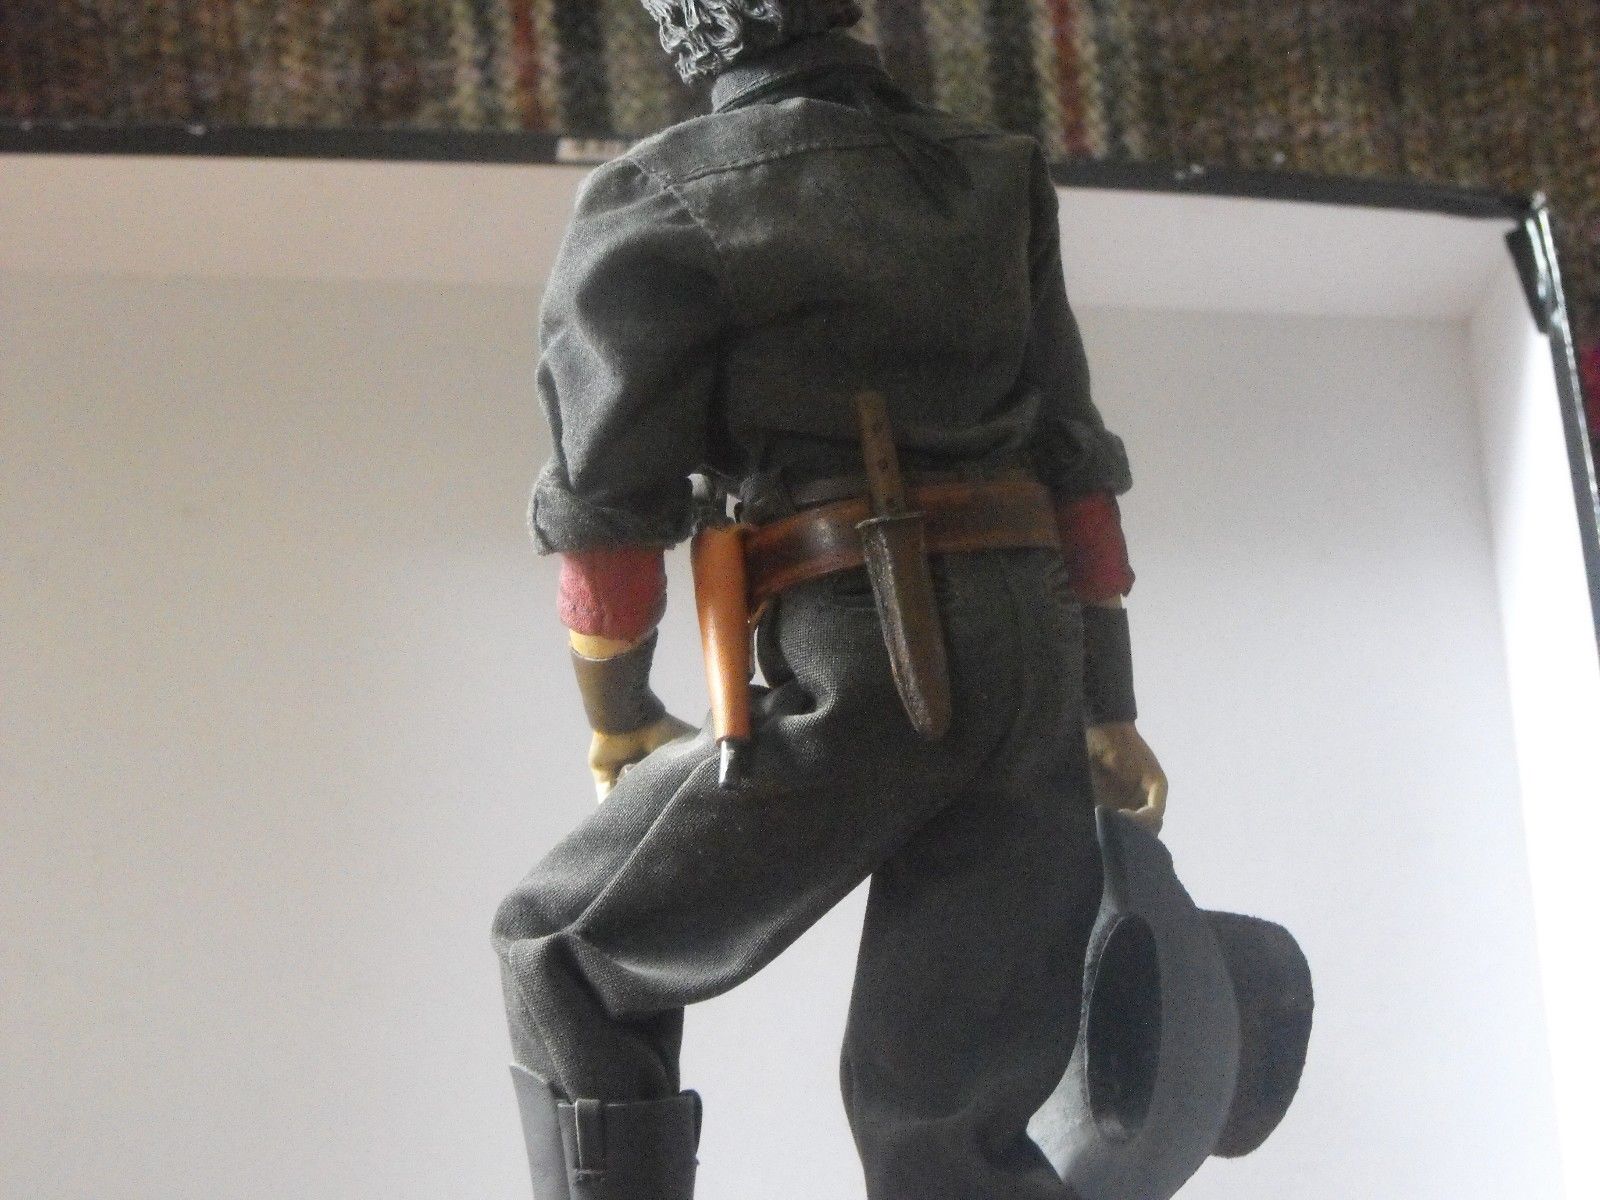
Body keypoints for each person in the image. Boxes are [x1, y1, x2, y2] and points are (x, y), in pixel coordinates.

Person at [491, 3, 1167, 1197]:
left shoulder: (657, 196)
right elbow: (1075, 472)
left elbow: (609, 528)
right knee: (943, 1123)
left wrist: (619, 715)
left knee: (563, 946)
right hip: (1033, 658)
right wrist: (1104, 705)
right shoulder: (993, 172)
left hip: (868, 654)